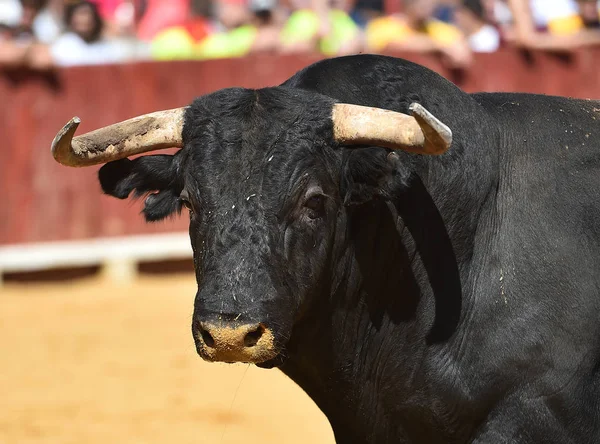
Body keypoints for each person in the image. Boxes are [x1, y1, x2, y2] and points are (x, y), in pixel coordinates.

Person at [50, 0, 128, 66]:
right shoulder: (63, 45)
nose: (85, 19)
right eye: (81, 13)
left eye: (88, 14)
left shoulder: (107, 47)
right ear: (71, 19)